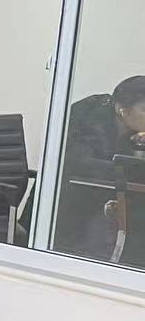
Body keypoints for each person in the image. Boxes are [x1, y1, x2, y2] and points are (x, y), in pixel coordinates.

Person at [57, 76, 145, 261]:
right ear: (122, 110)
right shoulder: (91, 123)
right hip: (67, 210)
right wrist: (132, 167)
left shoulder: (126, 128)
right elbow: (82, 166)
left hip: (103, 202)